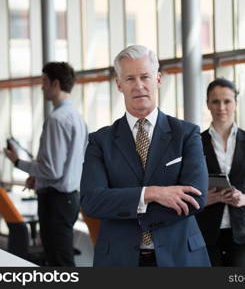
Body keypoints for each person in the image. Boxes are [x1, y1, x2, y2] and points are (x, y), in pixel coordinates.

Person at [80, 45, 210, 267]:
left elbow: (195, 198)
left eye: (145, 77)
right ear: (119, 84)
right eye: (130, 78)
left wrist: (125, 204)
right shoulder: (100, 141)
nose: (138, 86)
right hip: (119, 262)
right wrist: (150, 194)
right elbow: (92, 202)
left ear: (158, 79)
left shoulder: (186, 134)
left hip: (180, 258)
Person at [4, 62, 88, 266]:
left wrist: (17, 162)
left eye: (44, 81)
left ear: (55, 84)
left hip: (55, 201)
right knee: (63, 258)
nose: (41, 86)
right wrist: (38, 176)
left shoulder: (57, 119)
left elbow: (52, 169)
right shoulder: (77, 117)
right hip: (69, 198)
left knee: (58, 261)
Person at [195, 78, 245, 266]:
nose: (221, 107)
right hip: (206, 232)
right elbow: (184, 186)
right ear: (207, 104)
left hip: (243, 232)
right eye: (215, 101)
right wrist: (204, 199)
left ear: (236, 103)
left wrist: (243, 198)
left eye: (227, 101)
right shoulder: (194, 142)